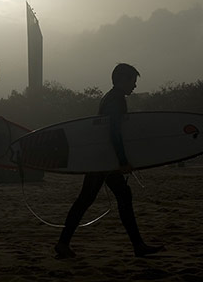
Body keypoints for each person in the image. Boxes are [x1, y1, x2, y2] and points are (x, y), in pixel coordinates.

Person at [54, 63, 164, 259]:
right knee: (90, 198)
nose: (135, 86)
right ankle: (63, 243)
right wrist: (122, 161)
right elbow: (114, 132)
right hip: (103, 159)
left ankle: (137, 245)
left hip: (103, 158)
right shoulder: (116, 100)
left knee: (116, 196)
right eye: (133, 81)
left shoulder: (111, 96)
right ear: (123, 80)